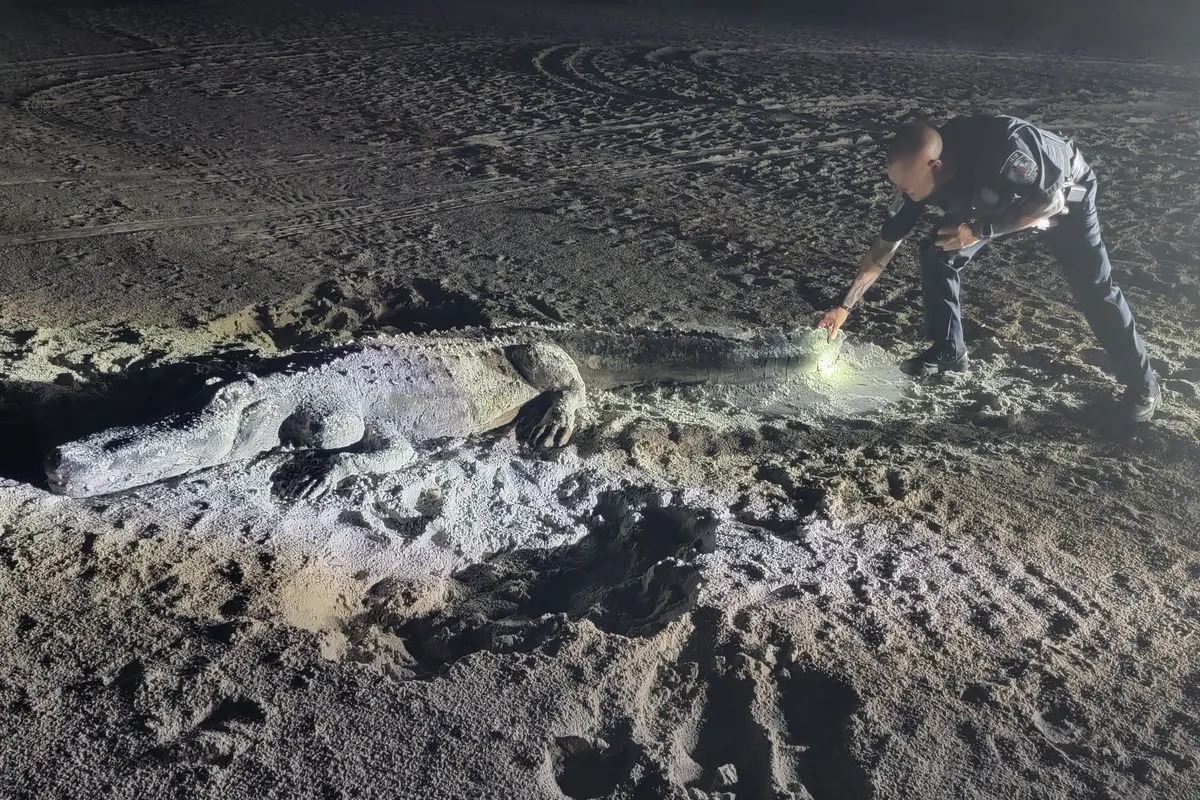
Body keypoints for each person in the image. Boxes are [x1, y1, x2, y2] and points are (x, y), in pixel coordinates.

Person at [817, 115, 1161, 424]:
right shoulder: (917, 179)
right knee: (938, 253)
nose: (904, 193)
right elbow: (884, 248)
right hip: (994, 200)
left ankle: (1143, 386)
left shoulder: (1005, 150)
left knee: (1093, 285)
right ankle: (949, 350)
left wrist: (981, 230)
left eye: (907, 186)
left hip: (1062, 194)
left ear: (935, 166)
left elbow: (1050, 203)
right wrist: (844, 306)